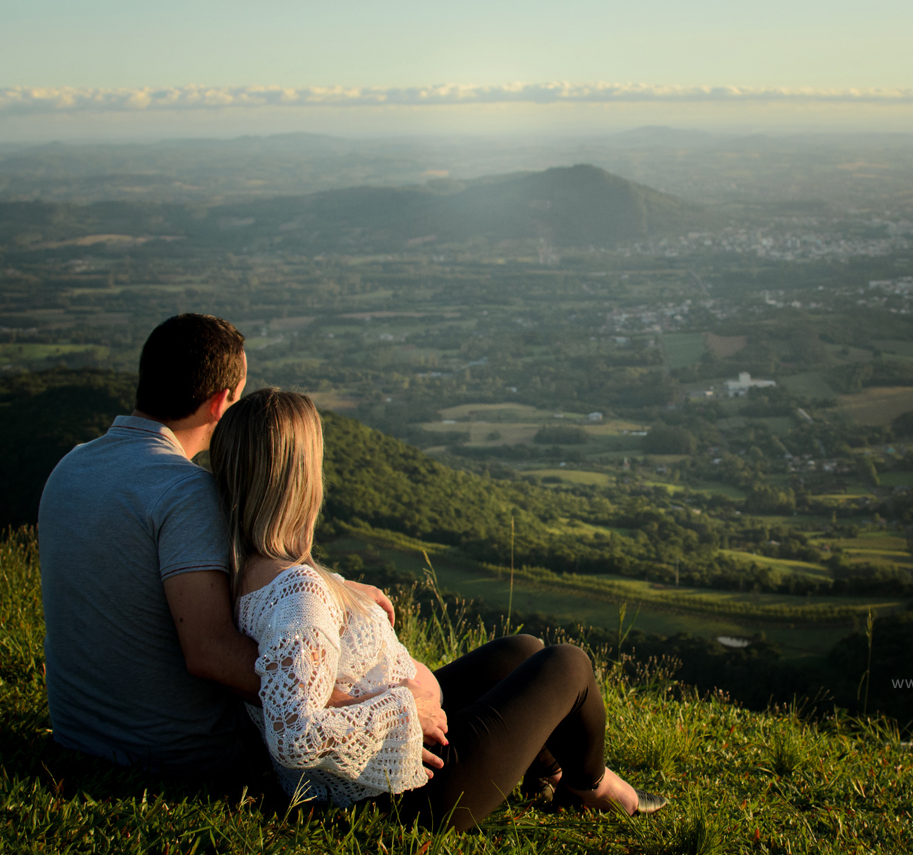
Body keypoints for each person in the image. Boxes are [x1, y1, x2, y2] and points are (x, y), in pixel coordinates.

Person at [210, 388, 665, 832]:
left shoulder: (250, 571)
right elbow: (296, 734)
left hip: (392, 767)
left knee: (522, 651)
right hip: (411, 789)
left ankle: (545, 774)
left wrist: (341, 589)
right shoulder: (300, 596)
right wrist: (406, 711)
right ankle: (592, 785)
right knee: (570, 664)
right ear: (301, 478)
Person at [37, 314, 389, 775]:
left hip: (77, 733)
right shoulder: (187, 493)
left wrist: (338, 590)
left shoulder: (70, 467)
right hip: (177, 753)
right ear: (221, 402)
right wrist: (376, 713)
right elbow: (211, 651)